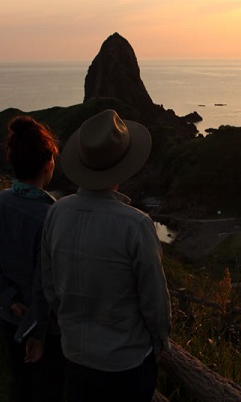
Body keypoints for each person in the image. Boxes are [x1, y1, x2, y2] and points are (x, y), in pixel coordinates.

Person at [41, 109, 171, 402]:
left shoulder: (56, 212)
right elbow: (155, 301)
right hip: (125, 364)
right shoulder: (136, 224)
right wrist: (159, 339)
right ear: (124, 165)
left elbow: (50, 286)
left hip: (74, 357)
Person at [0, 116, 65, 402]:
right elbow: (45, 282)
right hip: (45, 330)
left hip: (10, 317)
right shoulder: (49, 216)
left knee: (20, 386)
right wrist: (38, 333)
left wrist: (7, 297)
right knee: (47, 391)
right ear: (48, 164)